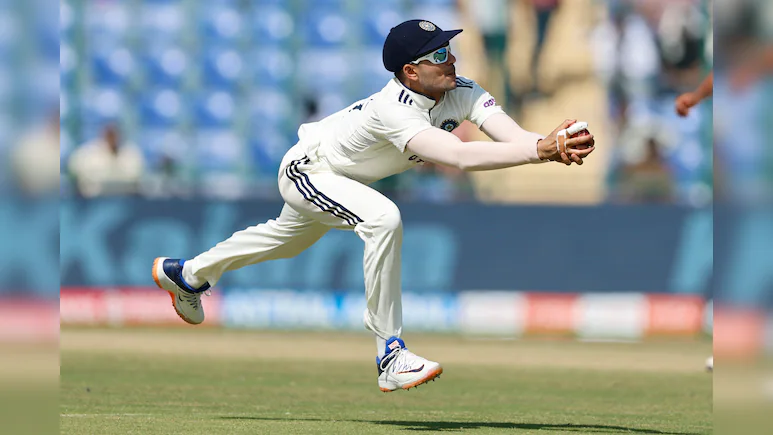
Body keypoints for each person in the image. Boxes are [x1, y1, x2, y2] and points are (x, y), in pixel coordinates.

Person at [152, 19, 595, 392]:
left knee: (284, 242)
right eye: (438, 54)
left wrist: (545, 143)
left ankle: (187, 275)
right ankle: (390, 354)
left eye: (449, 48)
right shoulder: (394, 108)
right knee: (383, 217)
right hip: (310, 169)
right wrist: (541, 150)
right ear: (411, 71)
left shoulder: (461, 89)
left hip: (343, 179)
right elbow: (458, 157)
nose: (451, 59)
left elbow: (512, 136)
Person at [68, 124, 145, 198]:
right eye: (109, 135)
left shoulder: (131, 154)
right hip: (95, 203)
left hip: (125, 202)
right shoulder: (87, 154)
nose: (112, 138)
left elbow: (134, 180)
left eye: (114, 135)